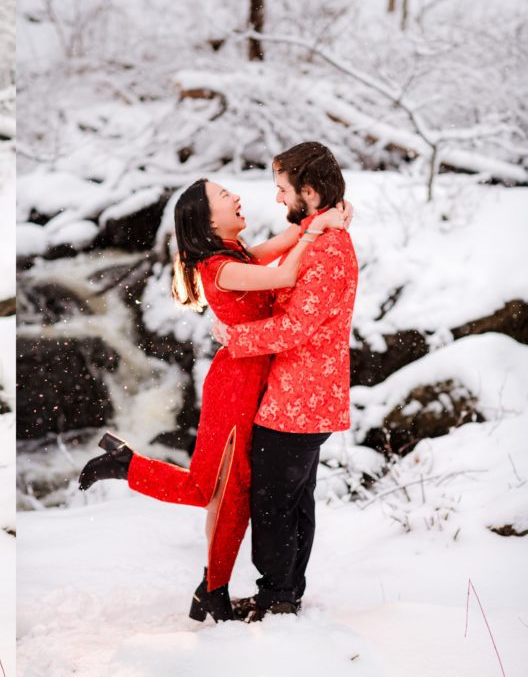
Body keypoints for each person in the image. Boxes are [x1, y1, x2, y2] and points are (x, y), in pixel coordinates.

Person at [78, 174, 349, 623]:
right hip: (236, 384)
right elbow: (285, 272)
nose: (237, 196)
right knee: (212, 487)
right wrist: (318, 232)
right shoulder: (220, 268)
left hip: (253, 378)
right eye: (225, 195)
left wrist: (325, 219)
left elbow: (287, 239)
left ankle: (213, 589)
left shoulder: (234, 253)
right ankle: (128, 467)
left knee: (234, 492)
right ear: (207, 219)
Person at [212, 142, 358, 621]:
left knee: (274, 503)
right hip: (300, 394)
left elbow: (295, 328)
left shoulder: (329, 251)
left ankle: (277, 597)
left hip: (302, 398)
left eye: (282, 190)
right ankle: (284, 591)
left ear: (310, 193)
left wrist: (234, 338)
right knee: (291, 501)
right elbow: (271, 254)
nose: (276, 199)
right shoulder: (315, 235)